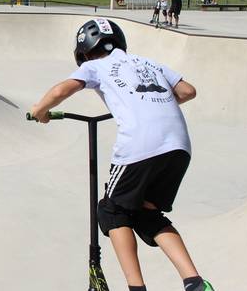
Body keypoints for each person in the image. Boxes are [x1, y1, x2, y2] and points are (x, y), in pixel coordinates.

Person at [30, 18, 213, 291]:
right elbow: (188, 91)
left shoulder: (95, 66)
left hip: (141, 145)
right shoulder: (148, 62)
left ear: (84, 53)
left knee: (111, 211)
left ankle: (136, 288)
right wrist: (153, 103)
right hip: (179, 146)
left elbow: (60, 90)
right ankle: (195, 282)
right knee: (147, 214)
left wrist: (39, 111)